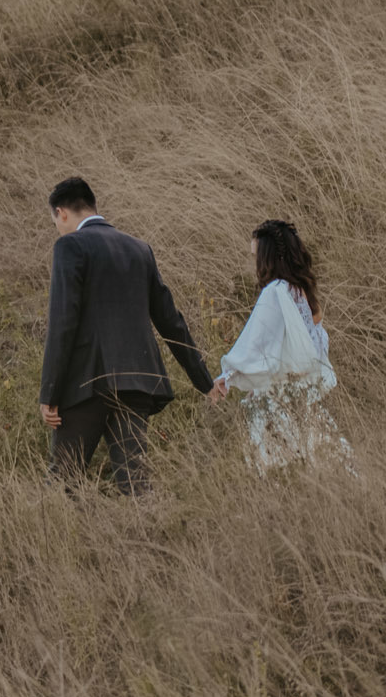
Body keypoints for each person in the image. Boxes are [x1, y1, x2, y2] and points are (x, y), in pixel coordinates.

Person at [39, 177, 214, 495]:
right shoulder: (139, 249)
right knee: (136, 483)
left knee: (61, 482)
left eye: (55, 222)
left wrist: (49, 393)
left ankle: (61, 544)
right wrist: (204, 381)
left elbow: (63, 323)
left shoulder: (70, 246)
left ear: (62, 213)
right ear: (93, 206)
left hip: (87, 383)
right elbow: (171, 321)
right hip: (136, 382)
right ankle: (150, 542)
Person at [208, 219, 351, 471]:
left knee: (283, 473)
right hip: (304, 401)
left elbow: (256, 344)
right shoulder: (301, 293)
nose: (254, 263)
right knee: (320, 467)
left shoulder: (274, 292)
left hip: (277, 403)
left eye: (256, 256)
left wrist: (227, 377)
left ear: (268, 258)